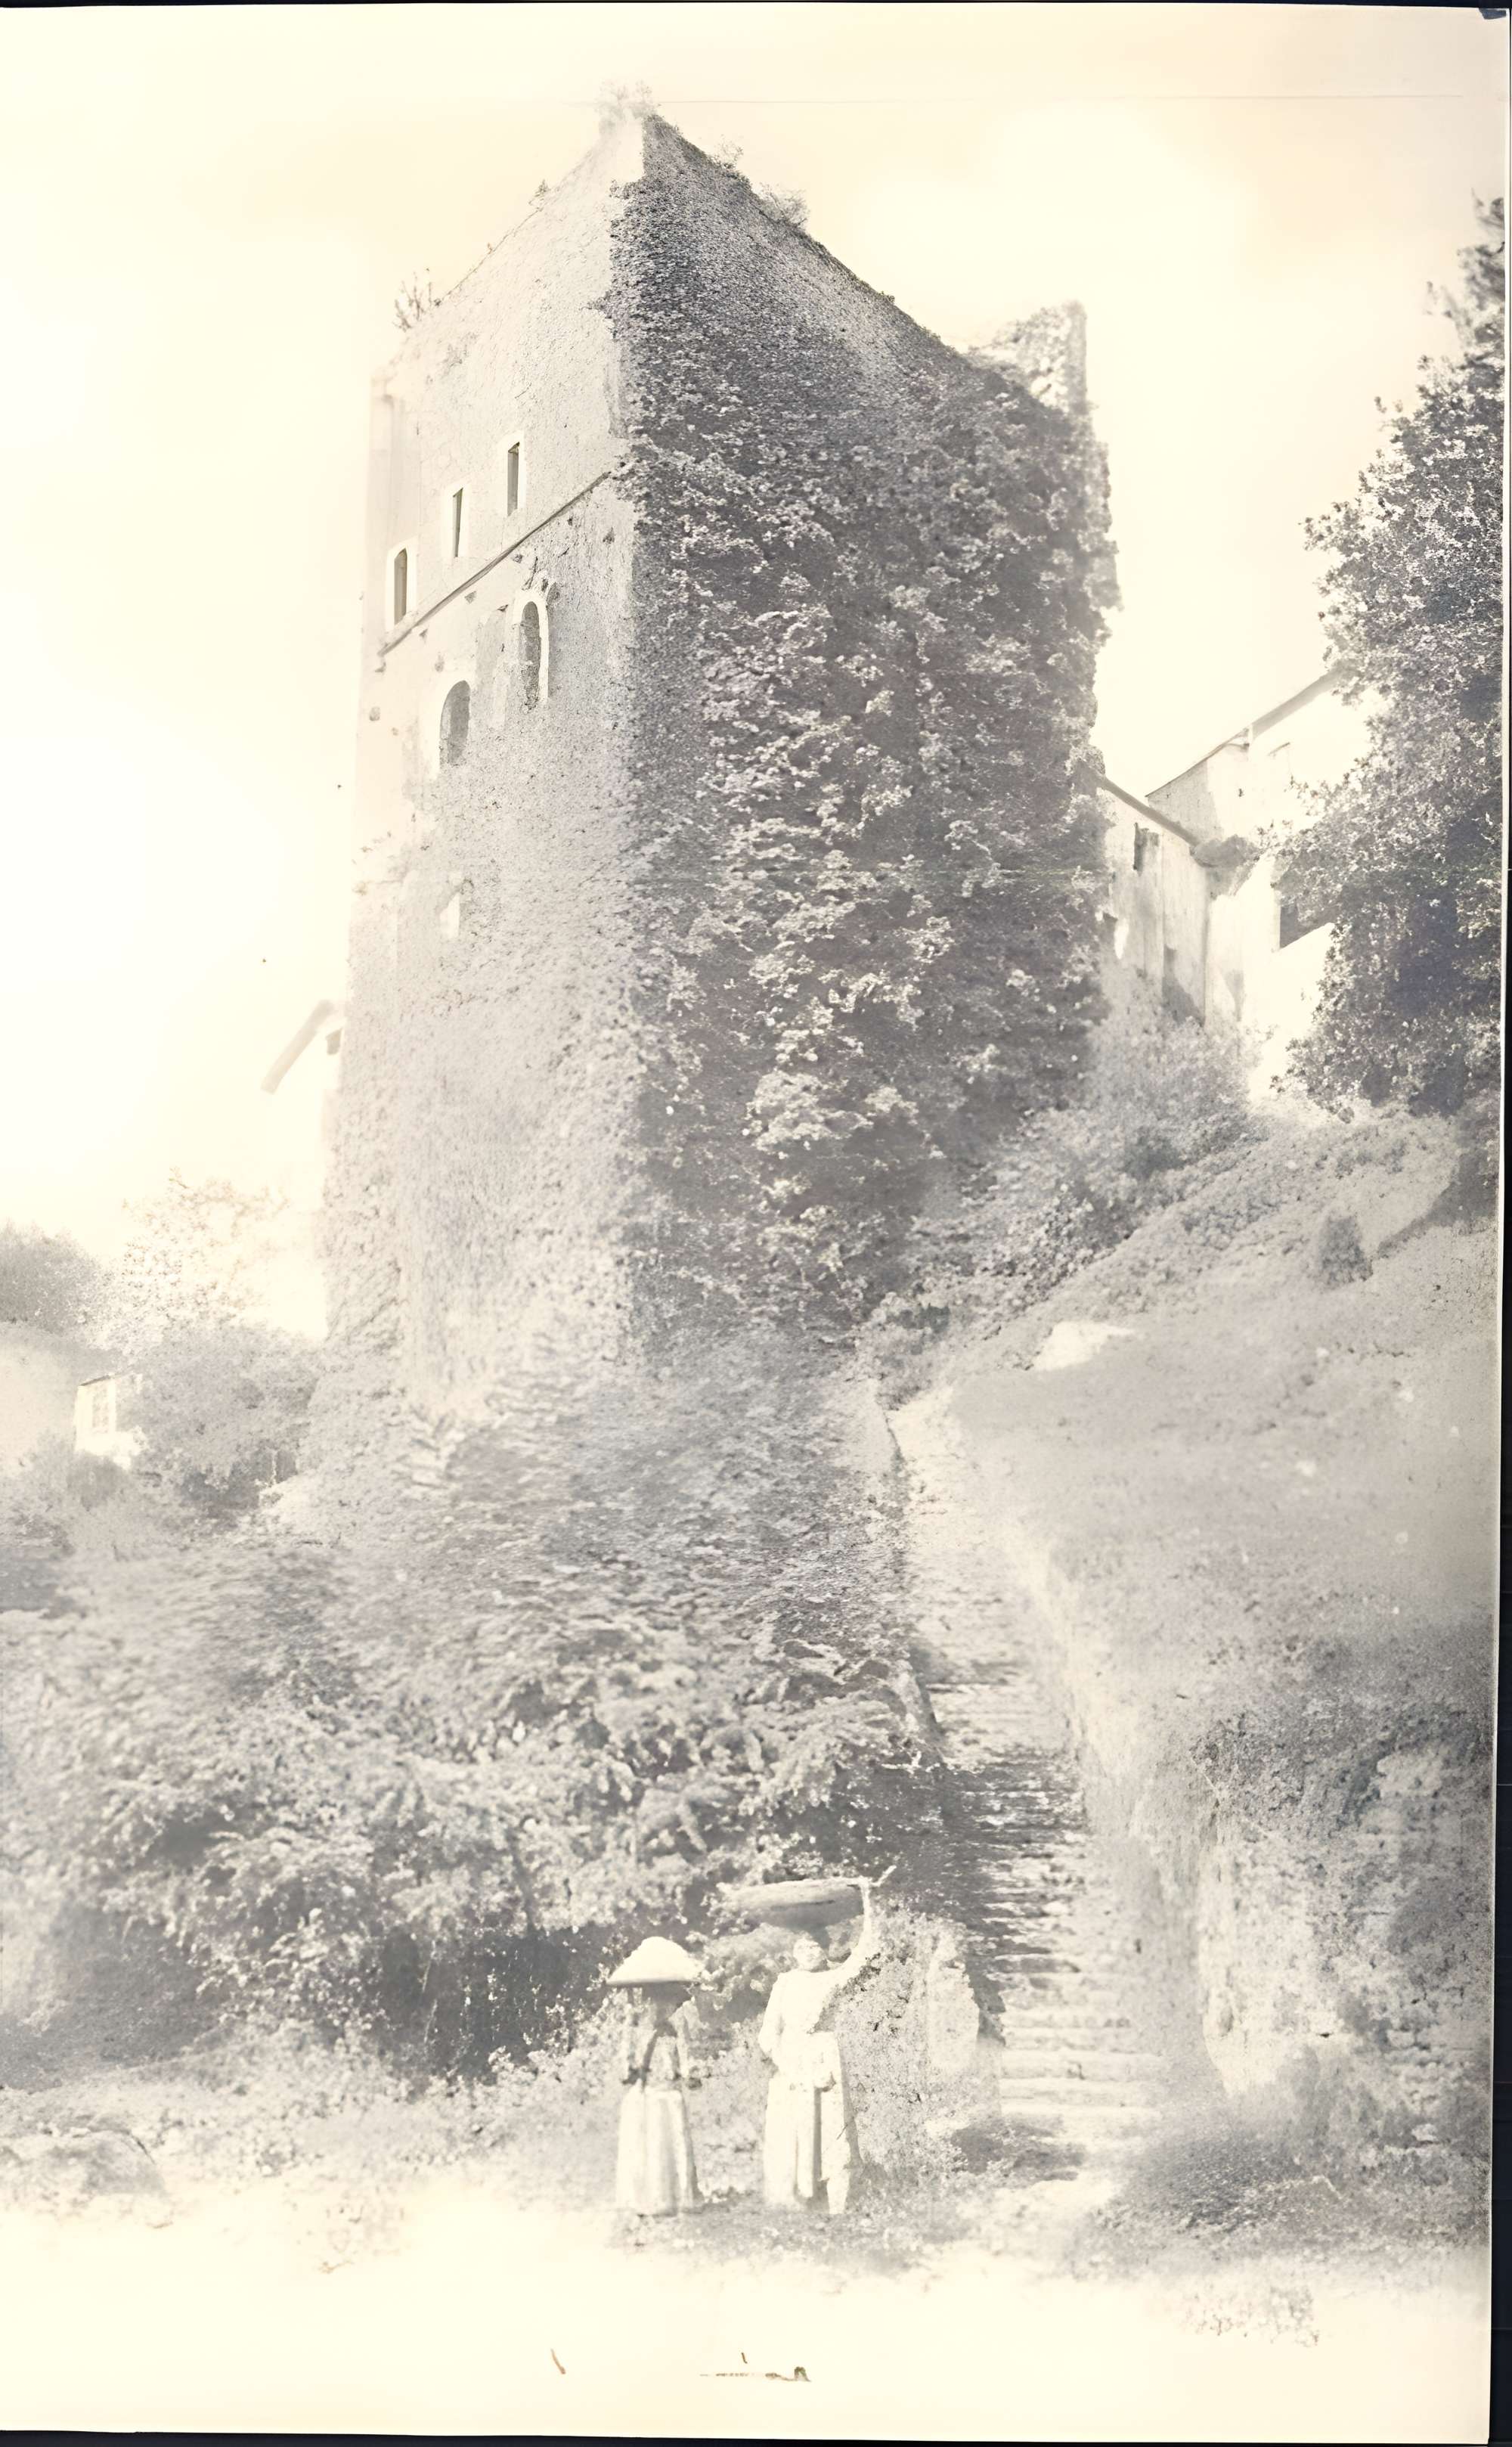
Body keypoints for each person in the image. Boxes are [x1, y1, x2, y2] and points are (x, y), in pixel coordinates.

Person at [759, 1878, 881, 2215]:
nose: (809, 1952)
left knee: (830, 2129)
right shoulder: (785, 1983)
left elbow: (864, 1956)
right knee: (795, 2128)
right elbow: (769, 2035)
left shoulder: (833, 1978)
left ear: (826, 1949)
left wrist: (871, 1907)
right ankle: (796, 2201)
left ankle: (836, 2202)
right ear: (793, 1952)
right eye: (803, 1947)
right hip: (792, 2064)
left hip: (825, 2058)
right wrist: (789, 2067)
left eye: (815, 1946)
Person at [615, 1983, 701, 2216]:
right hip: (647, 2095)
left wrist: (690, 2075)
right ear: (649, 2003)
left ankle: (672, 2197)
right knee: (647, 2146)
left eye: (670, 2005)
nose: (664, 2009)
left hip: (669, 2094)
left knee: (669, 2143)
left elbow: (685, 2060)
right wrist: (630, 2063)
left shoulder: (677, 2029)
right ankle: (646, 2198)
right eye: (658, 2003)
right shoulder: (636, 2028)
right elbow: (625, 2066)